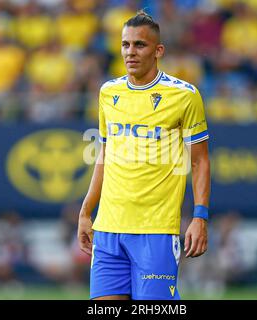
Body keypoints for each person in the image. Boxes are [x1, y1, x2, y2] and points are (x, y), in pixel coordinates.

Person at [77, 10, 211, 300]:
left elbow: (199, 160)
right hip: (109, 230)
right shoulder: (108, 92)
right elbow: (105, 155)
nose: (131, 52)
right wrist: (87, 210)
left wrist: (200, 216)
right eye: (126, 45)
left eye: (140, 45)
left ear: (158, 50)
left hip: (155, 231)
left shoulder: (184, 96)